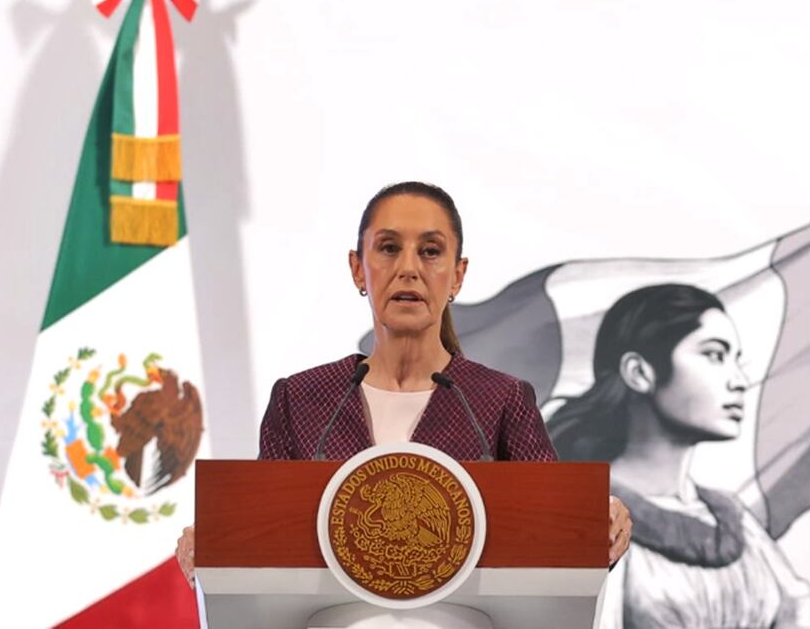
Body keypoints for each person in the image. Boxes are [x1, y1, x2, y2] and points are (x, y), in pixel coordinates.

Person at [176, 181, 633, 583]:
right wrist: (216, 544)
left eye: (430, 251)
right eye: (389, 248)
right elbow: (261, 536)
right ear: (358, 268)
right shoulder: (301, 400)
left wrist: (600, 528)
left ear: (457, 275)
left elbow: (556, 536)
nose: (409, 268)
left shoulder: (500, 401)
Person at [546, 283, 810, 629]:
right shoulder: (578, 519)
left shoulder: (735, 524)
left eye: (737, 360)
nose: (738, 380)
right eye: (714, 355)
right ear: (639, 372)